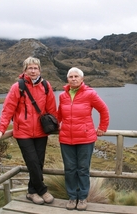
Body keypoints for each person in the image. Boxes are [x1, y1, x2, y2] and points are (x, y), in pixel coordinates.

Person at [0, 56, 57, 205]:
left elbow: (51, 109)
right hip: (23, 133)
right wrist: (1, 129)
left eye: (35, 68)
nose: (33, 71)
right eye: (30, 68)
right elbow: (8, 109)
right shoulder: (17, 87)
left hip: (41, 132)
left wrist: (55, 125)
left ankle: (32, 192)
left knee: (38, 163)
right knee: (32, 162)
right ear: (24, 70)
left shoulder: (46, 85)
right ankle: (43, 190)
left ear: (40, 69)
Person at [57, 67, 110, 211]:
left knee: (83, 169)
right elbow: (59, 115)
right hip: (66, 139)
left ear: (82, 79)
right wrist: (54, 125)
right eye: (71, 76)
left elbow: (103, 110)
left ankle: (82, 198)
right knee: (69, 169)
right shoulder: (63, 96)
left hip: (86, 138)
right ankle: (72, 197)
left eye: (76, 76)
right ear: (67, 79)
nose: (73, 79)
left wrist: (102, 128)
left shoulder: (90, 94)